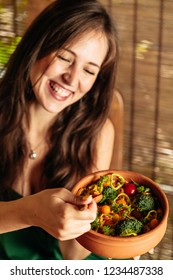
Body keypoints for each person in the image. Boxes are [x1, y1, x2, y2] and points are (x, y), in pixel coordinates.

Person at [0, 0, 118, 260]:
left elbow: (73, 255)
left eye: (89, 70)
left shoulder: (98, 134)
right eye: (64, 57)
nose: (72, 79)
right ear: (37, 46)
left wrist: (98, 227)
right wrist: (28, 212)